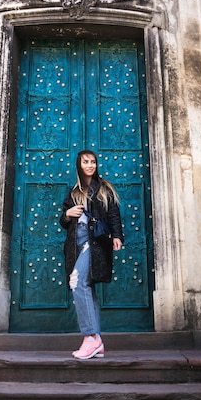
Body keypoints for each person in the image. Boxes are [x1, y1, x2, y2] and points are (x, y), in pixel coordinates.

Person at [60, 149, 124, 359]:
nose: (90, 165)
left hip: (95, 244)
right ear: (79, 165)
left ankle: (90, 338)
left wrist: (117, 236)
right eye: (86, 162)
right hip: (76, 246)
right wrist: (67, 215)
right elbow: (63, 222)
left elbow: (113, 213)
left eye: (93, 162)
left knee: (78, 282)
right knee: (87, 288)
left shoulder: (104, 188)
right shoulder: (74, 192)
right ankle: (97, 341)